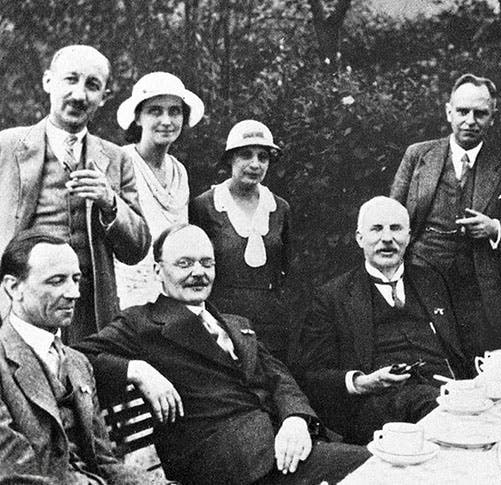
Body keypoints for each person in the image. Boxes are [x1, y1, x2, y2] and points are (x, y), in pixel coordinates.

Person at [75, 224, 369, 485]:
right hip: (228, 466)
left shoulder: (237, 324)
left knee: (384, 463)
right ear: (157, 271)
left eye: (207, 263)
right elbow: (76, 355)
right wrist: (136, 369)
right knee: (379, 469)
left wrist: (296, 419)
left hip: (284, 448)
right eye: (184, 264)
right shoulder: (141, 323)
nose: (198, 273)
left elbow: (280, 377)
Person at [0, 44, 150, 343]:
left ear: (105, 96)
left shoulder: (116, 159)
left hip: (89, 312)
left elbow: (137, 249)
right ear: (48, 82)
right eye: (70, 79)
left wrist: (110, 202)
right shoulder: (6, 147)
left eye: (92, 85)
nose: (79, 95)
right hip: (22, 309)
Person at [297, 196, 470, 444]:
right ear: (360, 238)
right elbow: (312, 375)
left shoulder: (432, 281)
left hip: (448, 391)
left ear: (409, 236)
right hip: (378, 406)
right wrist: (362, 382)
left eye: (396, 229)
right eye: (377, 229)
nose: (387, 238)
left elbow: (459, 348)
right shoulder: (332, 296)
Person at [390, 73, 501, 359]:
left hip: (480, 288)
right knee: (426, 356)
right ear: (448, 112)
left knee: (477, 360)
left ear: (493, 117)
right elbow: (391, 215)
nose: (470, 120)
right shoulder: (418, 155)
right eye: (462, 111)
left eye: (480, 113)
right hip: (422, 277)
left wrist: (495, 228)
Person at [0, 230, 150, 484]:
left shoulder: (78, 363)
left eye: (76, 279)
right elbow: (16, 473)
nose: (74, 293)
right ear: (14, 287)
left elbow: (103, 461)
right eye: (57, 281)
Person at [190, 120, 293, 361]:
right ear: (230, 159)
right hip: (221, 320)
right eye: (246, 155)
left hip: (272, 324)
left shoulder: (279, 208)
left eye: (263, 157)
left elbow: (285, 268)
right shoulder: (204, 206)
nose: (255, 164)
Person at [114, 72, 204, 309]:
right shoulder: (120, 162)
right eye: (155, 111)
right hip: (126, 291)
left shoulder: (179, 171)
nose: (167, 120)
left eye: (174, 111)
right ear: (138, 118)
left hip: (170, 291)